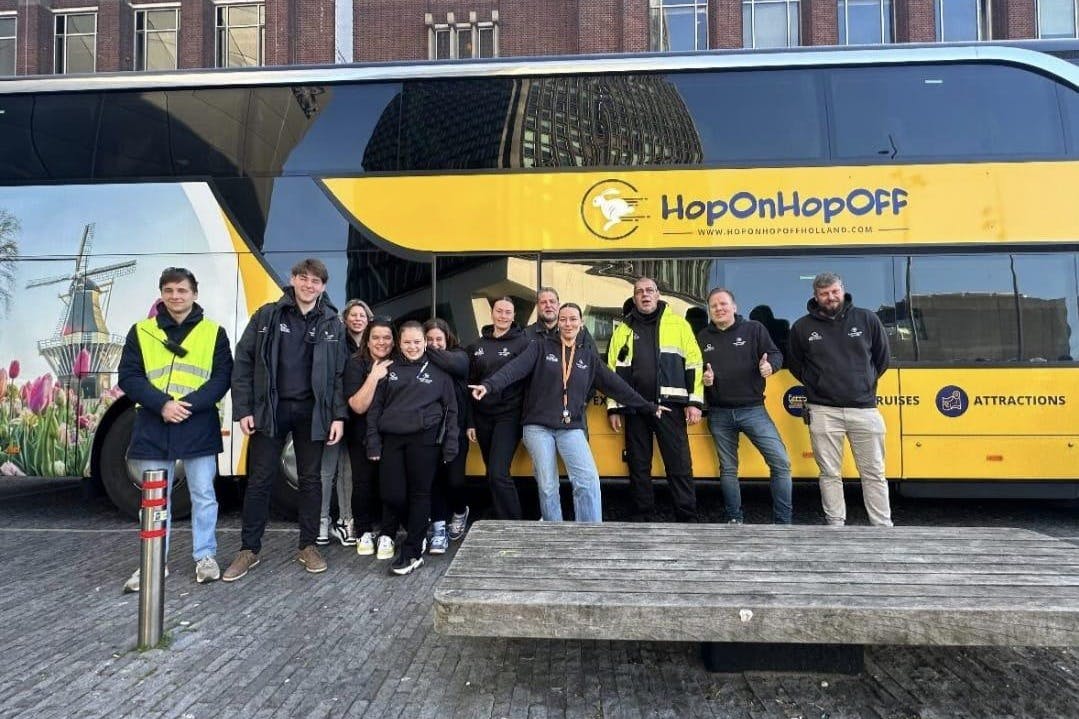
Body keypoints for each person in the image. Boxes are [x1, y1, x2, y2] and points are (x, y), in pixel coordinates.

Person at [472, 303, 664, 522]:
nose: (568, 323)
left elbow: (617, 386)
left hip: (570, 426)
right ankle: (555, 531)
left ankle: (589, 533)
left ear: (581, 323)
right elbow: (512, 370)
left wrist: (649, 406)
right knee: (547, 486)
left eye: (573, 319)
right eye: (563, 319)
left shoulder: (588, 357)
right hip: (537, 426)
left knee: (587, 480)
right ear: (558, 323)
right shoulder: (540, 347)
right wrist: (489, 385)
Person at [224, 258, 348, 581]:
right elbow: (244, 362)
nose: (309, 285)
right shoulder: (267, 315)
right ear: (293, 280)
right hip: (271, 409)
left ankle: (308, 546)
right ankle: (248, 549)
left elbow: (338, 375)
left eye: (316, 281)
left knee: (311, 480)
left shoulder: (333, 323)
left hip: (313, 412)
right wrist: (243, 408)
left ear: (323, 286)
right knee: (260, 479)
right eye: (303, 278)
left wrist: (338, 416)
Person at [118, 267, 233, 592]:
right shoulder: (141, 331)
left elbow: (222, 377)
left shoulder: (214, 332)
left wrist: (186, 406)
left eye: (181, 290)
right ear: (161, 294)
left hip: (196, 423)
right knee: (155, 499)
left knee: (203, 495)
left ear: (194, 294)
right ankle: (153, 562)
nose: (175, 296)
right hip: (154, 423)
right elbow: (128, 376)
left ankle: (205, 557)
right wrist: (163, 404)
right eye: (169, 290)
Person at [787, 272, 893, 527]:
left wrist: (863, 383)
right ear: (816, 296)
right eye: (824, 294)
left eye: (834, 291)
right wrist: (819, 383)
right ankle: (835, 524)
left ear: (843, 290)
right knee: (829, 474)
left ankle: (882, 526)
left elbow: (882, 359)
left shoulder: (867, 319)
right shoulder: (802, 327)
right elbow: (795, 364)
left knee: (874, 473)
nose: (830, 297)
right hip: (823, 410)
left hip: (864, 409)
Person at [607, 277, 704, 522]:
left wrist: (694, 402)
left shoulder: (679, 325)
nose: (645, 295)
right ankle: (643, 514)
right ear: (634, 297)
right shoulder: (623, 329)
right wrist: (614, 407)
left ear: (658, 294)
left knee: (679, 464)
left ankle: (686, 515)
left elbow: (694, 363)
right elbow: (611, 372)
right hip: (635, 407)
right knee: (638, 465)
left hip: (671, 406)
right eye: (639, 292)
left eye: (649, 290)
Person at [367, 321, 458, 575]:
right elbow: (375, 409)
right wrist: (373, 441)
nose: (412, 346)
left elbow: (452, 411)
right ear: (399, 343)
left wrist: (450, 444)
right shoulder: (388, 369)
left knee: (420, 494)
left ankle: (412, 552)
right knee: (392, 494)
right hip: (392, 439)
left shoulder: (439, 372)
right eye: (407, 342)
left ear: (425, 342)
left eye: (417, 341)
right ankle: (418, 531)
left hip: (425, 440)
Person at [698, 288, 792, 525]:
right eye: (714, 306)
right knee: (728, 470)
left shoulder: (754, 329)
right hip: (719, 413)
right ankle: (734, 519)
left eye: (723, 304)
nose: (719, 309)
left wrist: (770, 366)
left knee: (780, 463)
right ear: (709, 311)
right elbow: (694, 369)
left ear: (734, 307)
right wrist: (703, 378)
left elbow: (775, 354)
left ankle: (783, 522)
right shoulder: (702, 337)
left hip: (753, 410)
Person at [465, 297, 531, 520]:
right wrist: (471, 422)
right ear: (492, 313)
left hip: (510, 416)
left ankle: (514, 523)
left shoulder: (524, 343)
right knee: (490, 471)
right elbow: (470, 385)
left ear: (514, 316)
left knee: (497, 472)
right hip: (482, 417)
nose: (503, 316)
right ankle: (500, 514)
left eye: (508, 312)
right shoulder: (476, 346)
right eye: (499, 311)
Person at [317, 299, 372, 547]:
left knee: (348, 472)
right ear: (345, 319)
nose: (358, 319)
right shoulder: (336, 342)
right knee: (327, 470)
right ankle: (321, 522)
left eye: (362, 315)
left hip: (357, 418)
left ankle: (346, 520)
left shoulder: (373, 346)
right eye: (353, 315)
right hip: (335, 414)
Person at [343, 317, 394, 558]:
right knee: (363, 484)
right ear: (367, 339)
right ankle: (363, 531)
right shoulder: (355, 364)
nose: (381, 342)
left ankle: (387, 533)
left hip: (392, 433)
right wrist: (374, 376)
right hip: (361, 433)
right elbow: (357, 406)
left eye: (386, 337)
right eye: (376, 337)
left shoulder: (401, 363)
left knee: (389, 485)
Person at [424, 318, 471, 550]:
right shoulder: (419, 360)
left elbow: (456, 366)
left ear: (448, 338)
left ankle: (460, 511)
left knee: (455, 480)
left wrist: (426, 349)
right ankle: (439, 525)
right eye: (429, 340)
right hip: (429, 431)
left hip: (456, 429)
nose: (434, 344)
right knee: (435, 480)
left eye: (438, 339)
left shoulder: (460, 355)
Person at [525, 286, 596, 352]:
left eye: (552, 301)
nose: (548, 305)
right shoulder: (527, 334)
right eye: (543, 302)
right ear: (537, 306)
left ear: (558, 305)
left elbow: (595, 362)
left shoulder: (580, 332)